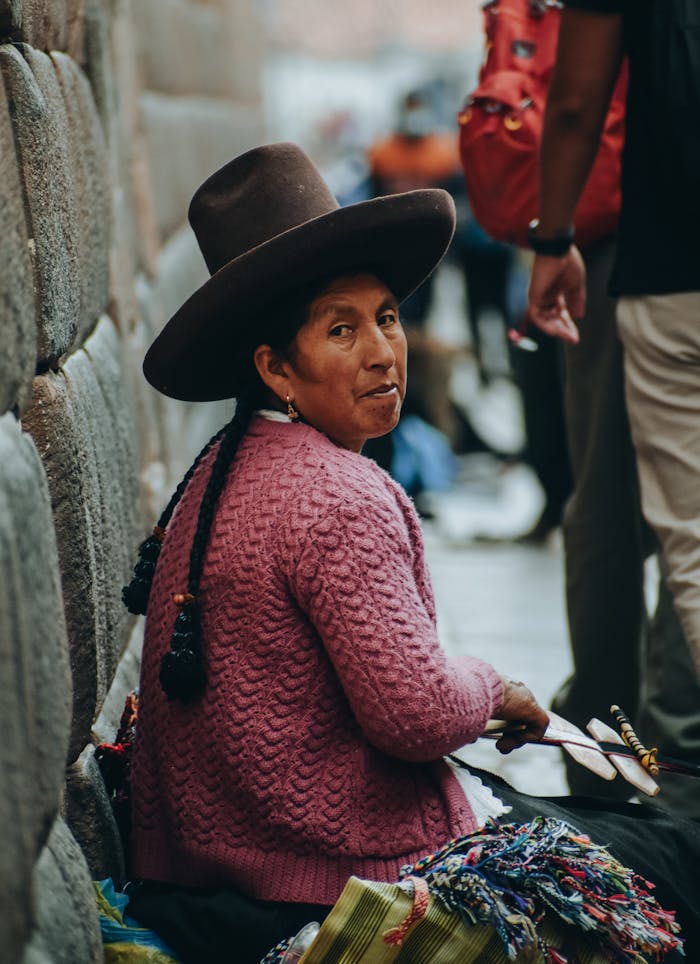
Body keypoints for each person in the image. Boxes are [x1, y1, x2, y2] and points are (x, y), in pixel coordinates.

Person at [124, 143, 699, 963]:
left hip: (208, 867)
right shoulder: (337, 494)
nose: (382, 353)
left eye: (387, 317)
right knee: (670, 863)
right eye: (341, 329)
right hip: (325, 872)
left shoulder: (217, 469)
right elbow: (415, 715)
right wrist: (493, 686)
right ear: (276, 369)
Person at [525, 0, 700, 813]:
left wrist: (550, 238)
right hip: (647, 257)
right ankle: (678, 743)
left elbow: (576, 96)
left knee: (653, 517)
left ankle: (631, 740)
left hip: (657, 257)